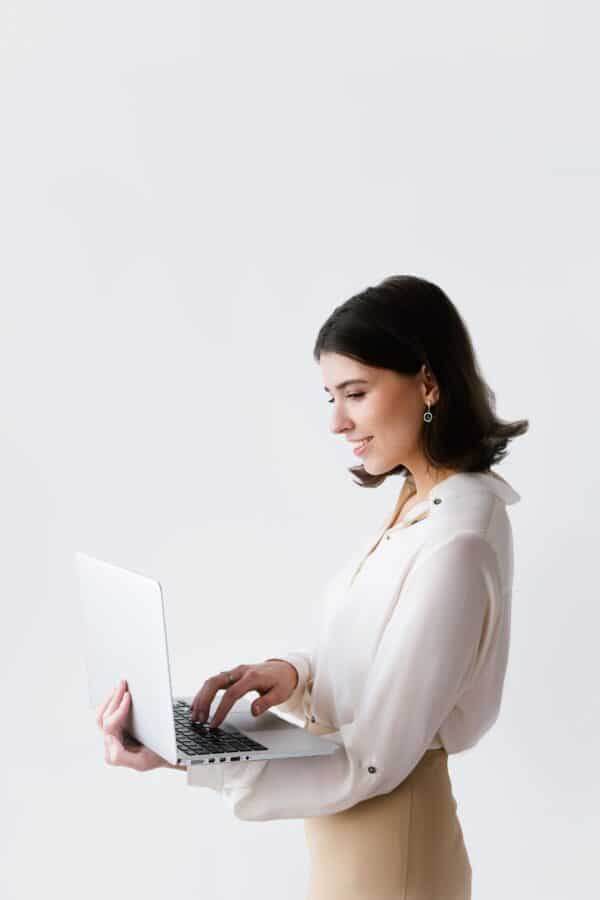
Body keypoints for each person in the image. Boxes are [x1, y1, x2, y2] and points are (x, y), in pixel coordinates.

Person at [97, 274, 529, 899]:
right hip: (355, 842)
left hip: (390, 853)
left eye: (355, 393)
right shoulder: (418, 506)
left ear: (428, 382)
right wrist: (292, 675)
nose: (337, 422)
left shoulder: (457, 541)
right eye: (330, 396)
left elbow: (372, 758)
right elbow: (373, 666)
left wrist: (188, 757)